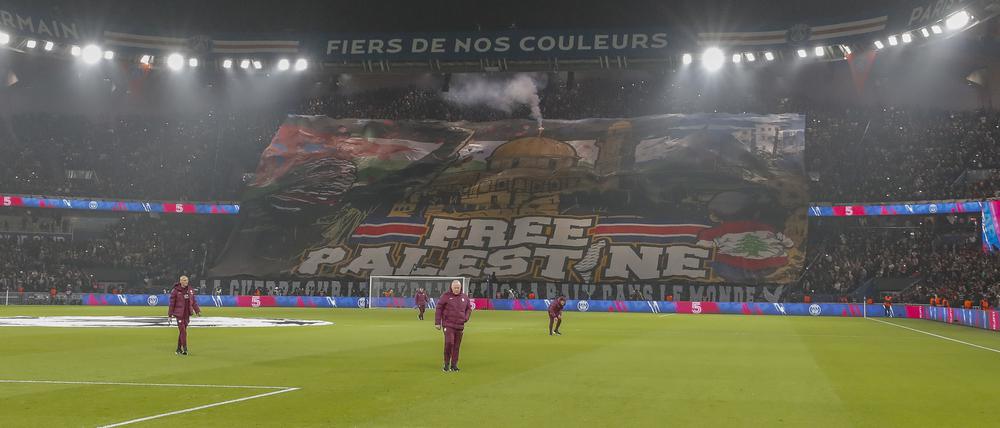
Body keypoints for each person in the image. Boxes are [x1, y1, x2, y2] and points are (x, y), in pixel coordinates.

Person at [435, 280, 471, 372]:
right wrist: (437, 322)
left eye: (458, 288)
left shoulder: (464, 297)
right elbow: (439, 308)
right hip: (448, 324)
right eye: (454, 287)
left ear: (460, 288)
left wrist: (466, 318)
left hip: (460, 325)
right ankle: (446, 363)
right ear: (451, 287)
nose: (456, 289)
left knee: (456, 346)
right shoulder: (445, 296)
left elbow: (469, 308)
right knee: (449, 343)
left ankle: (454, 365)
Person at [168, 276, 201, 355]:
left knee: (182, 332)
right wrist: (170, 315)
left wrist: (197, 311)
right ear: (181, 281)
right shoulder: (175, 291)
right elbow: (171, 304)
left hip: (187, 314)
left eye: (187, 280)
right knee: (183, 331)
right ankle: (185, 349)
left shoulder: (190, 290)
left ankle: (178, 349)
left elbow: (193, 302)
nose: (186, 282)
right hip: (179, 314)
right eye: (184, 280)